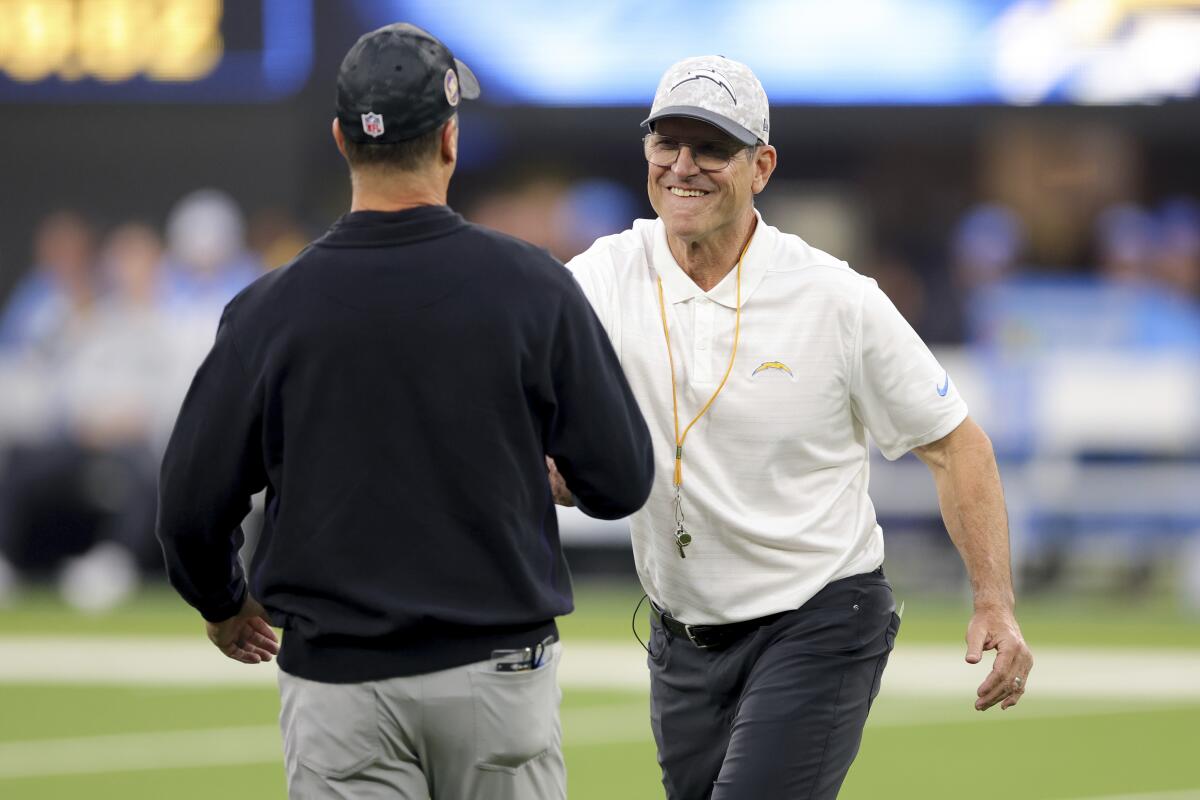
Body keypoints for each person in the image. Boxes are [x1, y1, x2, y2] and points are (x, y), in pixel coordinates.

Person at [157, 23, 653, 800]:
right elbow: (623, 478)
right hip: (498, 674)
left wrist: (223, 603)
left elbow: (188, 507)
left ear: (340, 139)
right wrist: (557, 476)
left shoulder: (268, 310)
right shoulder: (531, 286)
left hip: (341, 684)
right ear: (450, 140)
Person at [558, 56, 1034, 799]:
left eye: (711, 146)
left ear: (762, 166)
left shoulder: (835, 297)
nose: (683, 166)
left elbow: (954, 443)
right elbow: (529, 423)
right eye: (666, 143)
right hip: (680, 634)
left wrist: (994, 603)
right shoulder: (598, 279)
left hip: (818, 618)